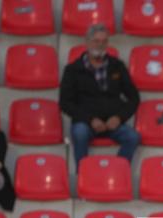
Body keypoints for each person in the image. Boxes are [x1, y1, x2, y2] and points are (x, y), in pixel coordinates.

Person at [59, 23, 140, 168]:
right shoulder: (72, 70)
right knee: (80, 133)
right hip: (85, 123)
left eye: (104, 41)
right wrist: (90, 120)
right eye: (96, 41)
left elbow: (134, 97)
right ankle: (83, 176)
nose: (100, 45)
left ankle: (116, 173)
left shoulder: (118, 66)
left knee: (133, 137)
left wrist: (119, 118)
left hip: (113, 123)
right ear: (87, 42)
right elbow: (65, 103)